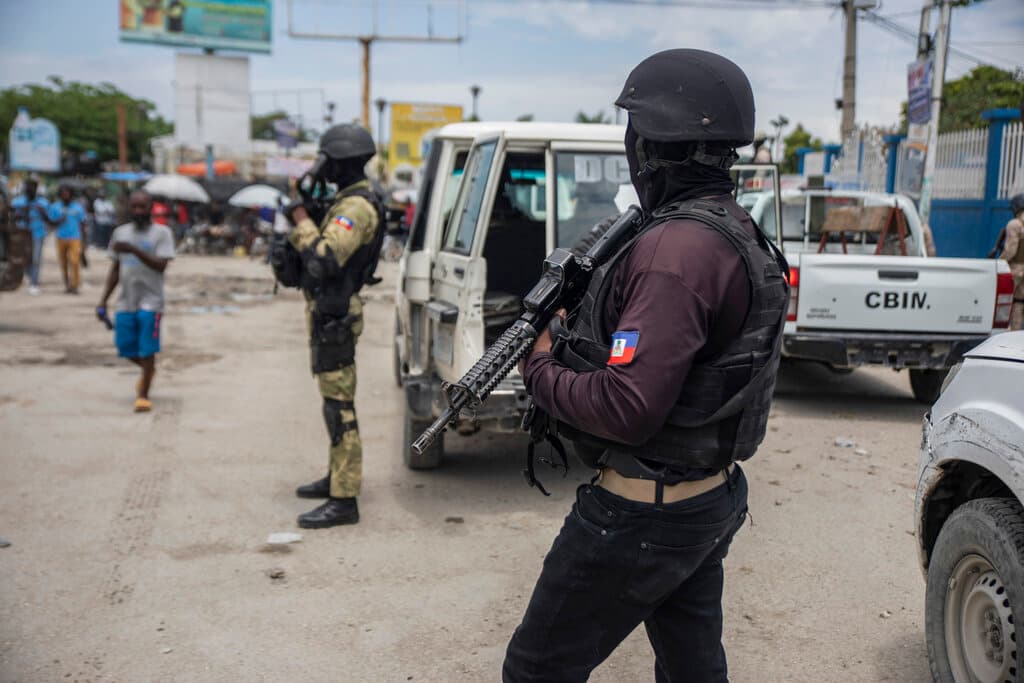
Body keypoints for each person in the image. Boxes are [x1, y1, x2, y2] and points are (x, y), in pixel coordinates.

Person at [503, 49, 789, 682]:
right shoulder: (731, 227)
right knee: (692, 671)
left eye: (635, 132)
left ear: (653, 145)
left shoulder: (674, 250)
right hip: (703, 498)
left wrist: (540, 364)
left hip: (642, 513)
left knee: (534, 669)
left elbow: (626, 408)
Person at [276, 123, 385, 529]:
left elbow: (324, 259)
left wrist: (301, 218)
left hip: (337, 313)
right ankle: (337, 477)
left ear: (339, 162)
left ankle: (345, 499)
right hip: (329, 311)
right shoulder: (345, 201)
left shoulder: (356, 208)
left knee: (340, 408)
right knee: (333, 403)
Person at [97, 191, 176, 412]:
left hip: (152, 301)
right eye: (134, 207)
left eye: (142, 207)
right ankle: (148, 371)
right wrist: (103, 300)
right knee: (125, 347)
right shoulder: (120, 234)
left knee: (147, 349)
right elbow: (115, 269)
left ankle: (143, 395)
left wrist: (132, 249)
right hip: (126, 301)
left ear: (151, 207)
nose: (138, 212)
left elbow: (161, 265)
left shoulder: (162, 233)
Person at [11, 178, 50, 294]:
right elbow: (11, 217)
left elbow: (49, 219)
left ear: (36, 189)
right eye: (28, 187)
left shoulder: (43, 203)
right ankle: (29, 276)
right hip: (22, 234)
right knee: (24, 259)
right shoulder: (17, 202)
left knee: (36, 259)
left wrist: (42, 211)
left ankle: (34, 283)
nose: (30, 189)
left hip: (38, 234)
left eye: (32, 187)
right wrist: (20, 212)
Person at [48, 184, 88, 294]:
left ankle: (74, 285)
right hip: (60, 238)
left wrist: (85, 242)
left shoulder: (78, 207)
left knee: (74, 261)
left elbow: (83, 223)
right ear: (60, 195)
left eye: (67, 193)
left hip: (75, 238)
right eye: (63, 194)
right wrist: (59, 220)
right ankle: (67, 283)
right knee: (63, 262)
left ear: (71, 194)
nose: (66, 195)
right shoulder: (55, 207)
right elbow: (51, 222)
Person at [1003, 193, 1024, 330]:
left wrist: (1000, 262)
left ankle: (1005, 334)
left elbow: (1010, 250)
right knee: (1019, 302)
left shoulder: (1015, 224)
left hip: (1015, 269)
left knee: (1004, 301)